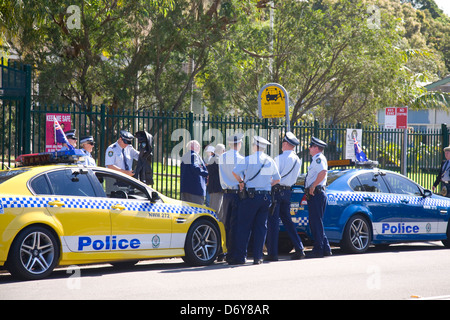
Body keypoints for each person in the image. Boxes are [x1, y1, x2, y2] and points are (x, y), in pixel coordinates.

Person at [231, 136, 281, 265]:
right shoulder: (269, 160)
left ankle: (241, 257)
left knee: (244, 227)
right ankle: (258, 257)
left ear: (255, 146)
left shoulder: (248, 159)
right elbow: (277, 179)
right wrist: (267, 183)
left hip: (250, 197)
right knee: (260, 227)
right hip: (265, 197)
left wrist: (241, 182)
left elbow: (235, 172)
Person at [266, 132, 305, 261]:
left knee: (273, 222)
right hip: (288, 191)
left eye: (282, 143)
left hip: (276, 191)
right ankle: (299, 248)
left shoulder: (279, 158)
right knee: (288, 221)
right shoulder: (298, 160)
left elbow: (273, 176)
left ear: (285, 144)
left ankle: (272, 253)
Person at [218, 133, 244, 263]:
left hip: (226, 193)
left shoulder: (222, 157)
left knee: (226, 224)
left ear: (229, 144)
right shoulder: (241, 158)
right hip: (237, 193)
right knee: (236, 224)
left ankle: (225, 251)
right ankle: (234, 252)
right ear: (239, 144)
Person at [305, 136, 331, 258]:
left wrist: (313, 186)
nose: (309, 148)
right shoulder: (318, 158)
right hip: (317, 193)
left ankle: (318, 249)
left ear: (316, 148)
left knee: (315, 223)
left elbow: (322, 173)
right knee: (316, 222)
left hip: (316, 193)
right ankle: (325, 248)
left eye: (311, 146)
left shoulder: (319, 159)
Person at [180, 140, 208, 205]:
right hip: (195, 190)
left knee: (185, 211)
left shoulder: (185, 156)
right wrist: (206, 174)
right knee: (196, 212)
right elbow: (195, 167)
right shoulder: (194, 155)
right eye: (198, 146)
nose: (200, 147)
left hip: (185, 189)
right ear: (194, 147)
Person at [206, 144, 225, 213]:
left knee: (213, 208)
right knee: (216, 210)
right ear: (223, 151)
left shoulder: (212, 159)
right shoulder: (218, 159)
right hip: (217, 188)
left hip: (213, 188)